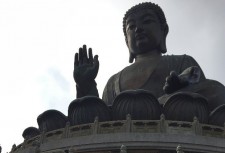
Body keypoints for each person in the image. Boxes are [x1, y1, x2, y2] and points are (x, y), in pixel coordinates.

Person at [73, 2, 225, 113]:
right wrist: (85, 85)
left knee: (217, 91)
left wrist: (182, 85)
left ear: (163, 31)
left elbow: (203, 89)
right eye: (131, 27)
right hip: (123, 128)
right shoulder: (113, 82)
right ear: (127, 40)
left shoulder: (181, 61)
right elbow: (99, 117)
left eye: (147, 21)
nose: (138, 29)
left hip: (173, 113)